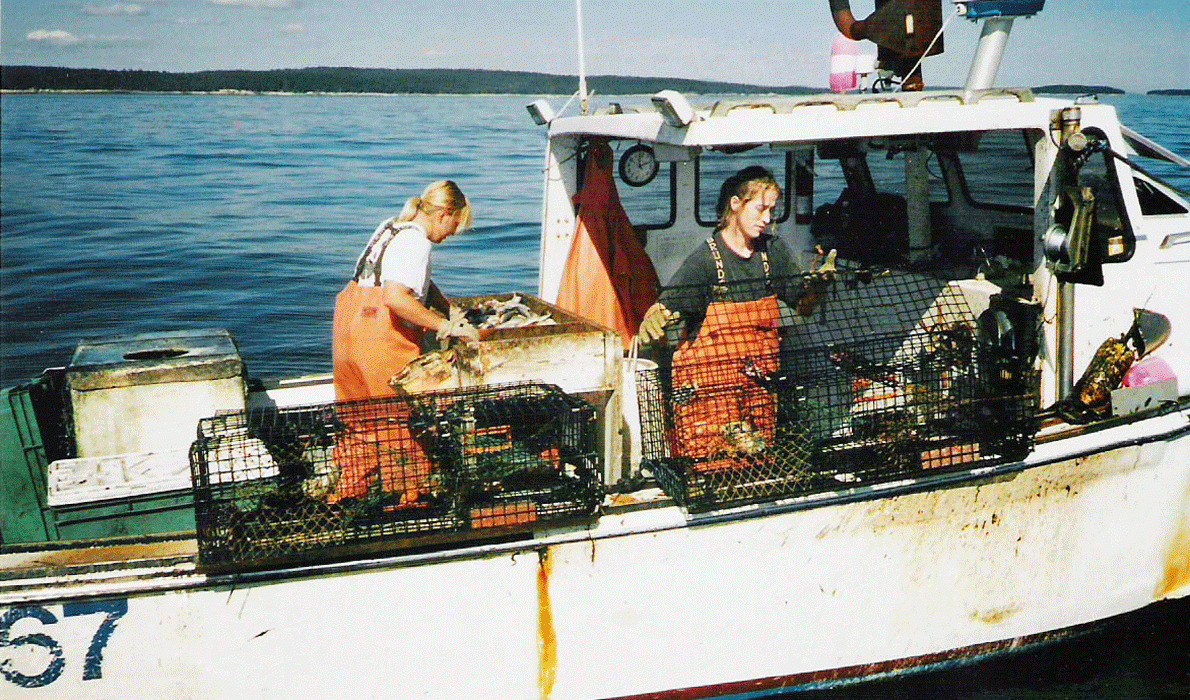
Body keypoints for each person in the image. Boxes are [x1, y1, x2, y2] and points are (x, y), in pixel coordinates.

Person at [636, 166, 834, 464]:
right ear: (735, 204)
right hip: (710, 396)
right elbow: (667, 307)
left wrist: (819, 286)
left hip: (758, 389)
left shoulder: (774, 253)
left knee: (758, 460)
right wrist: (654, 317)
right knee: (712, 462)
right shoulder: (705, 260)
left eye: (772, 210)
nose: (767, 219)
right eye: (760, 209)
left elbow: (804, 307)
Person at [332, 180, 480, 401]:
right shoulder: (417, 242)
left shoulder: (391, 227)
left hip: (347, 333)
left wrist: (446, 307)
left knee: (356, 419)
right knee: (395, 418)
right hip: (379, 342)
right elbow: (395, 298)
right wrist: (445, 326)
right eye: (456, 223)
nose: (453, 233)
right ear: (444, 214)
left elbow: (404, 279)